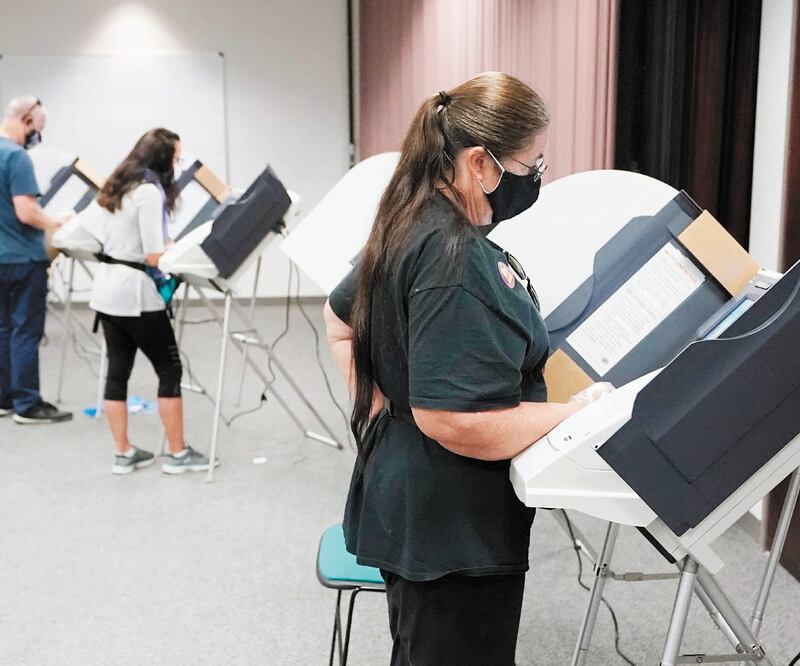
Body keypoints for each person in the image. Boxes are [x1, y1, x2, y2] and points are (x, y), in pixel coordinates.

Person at [324, 72, 606, 664]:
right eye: (532, 165)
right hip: (449, 523)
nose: (536, 179)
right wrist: (574, 414)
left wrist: (384, 409)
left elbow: (339, 319)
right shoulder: (454, 260)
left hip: (414, 500)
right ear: (480, 163)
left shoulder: (412, 218)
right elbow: (452, 420)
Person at [90, 128, 215, 475]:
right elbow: (153, 255)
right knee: (169, 369)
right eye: (175, 159)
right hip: (135, 294)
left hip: (107, 292)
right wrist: (182, 254)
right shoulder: (148, 192)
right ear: (162, 160)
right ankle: (177, 454)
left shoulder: (122, 186)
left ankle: (123, 452)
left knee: (118, 372)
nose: (177, 165)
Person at [0, 96, 72, 424]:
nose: (36, 137)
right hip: (22, 258)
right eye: (37, 130)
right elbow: (26, 211)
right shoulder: (16, 157)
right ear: (27, 120)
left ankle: (5, 398)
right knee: (26, 331)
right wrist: (57, 221)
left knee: (3, 329)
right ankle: (28, 404)